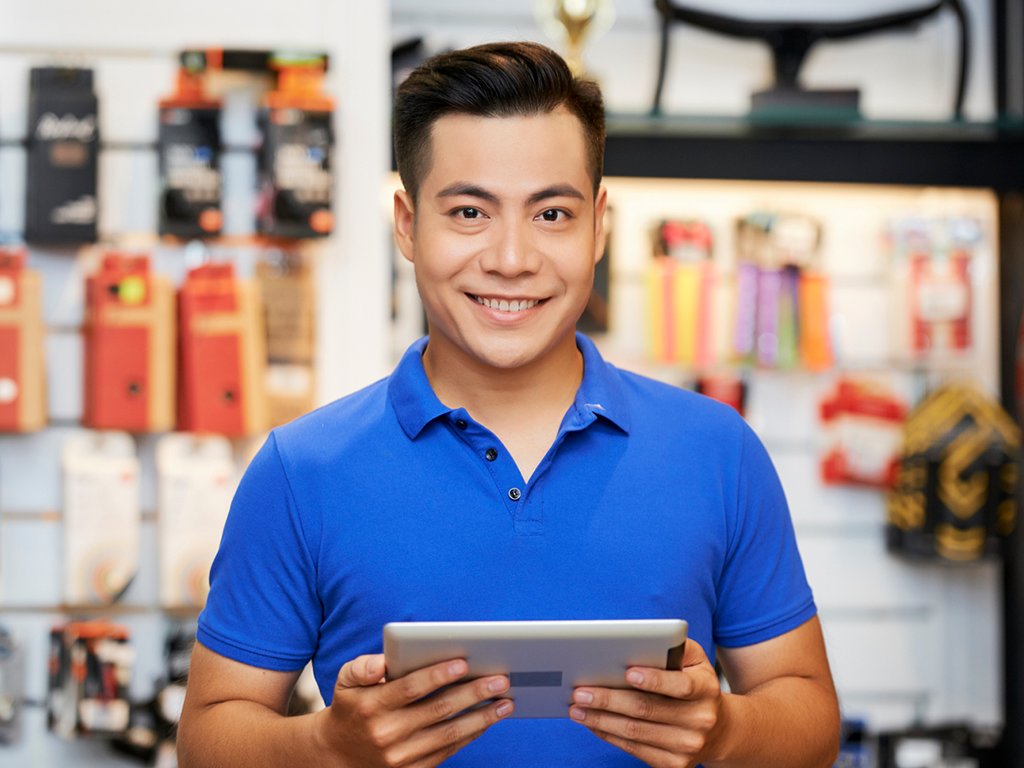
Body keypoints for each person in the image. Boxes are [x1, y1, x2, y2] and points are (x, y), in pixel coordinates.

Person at [178, 41, 840, 768]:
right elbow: (207, 740)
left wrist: (726, 734)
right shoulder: (301, 471)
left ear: (600, 224)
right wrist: (325, 748)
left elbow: (807, 714)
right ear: (406, 223)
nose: (513, 258)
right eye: (470, 211)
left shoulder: (718, 452)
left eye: (552, 214)